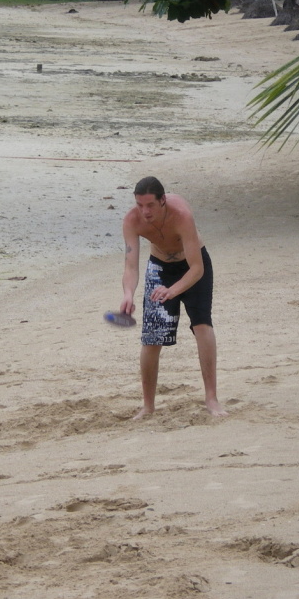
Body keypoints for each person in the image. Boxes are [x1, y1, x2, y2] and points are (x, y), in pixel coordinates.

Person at [120, 176, 226, 418]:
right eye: (139, 205)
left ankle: (211, 398)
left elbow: (197, 269)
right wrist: (128, 293)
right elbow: (131, 267)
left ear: (163, 200)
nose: (145, 212)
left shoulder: (181, 216)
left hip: (192, 265)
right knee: (152, 336)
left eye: (150, 205)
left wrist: (173, 290)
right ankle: (148, 406)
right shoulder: (131, 221)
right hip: (160, 268)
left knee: (202, 324)